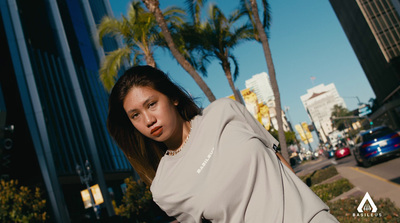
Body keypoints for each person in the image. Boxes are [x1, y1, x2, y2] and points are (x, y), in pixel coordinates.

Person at [107, 65, 338, 223]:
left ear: (173, 98)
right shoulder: (163, 188)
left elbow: (279, 161)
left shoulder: (224, 111)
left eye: (152, 104)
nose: (148, 120)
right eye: (135, 115)